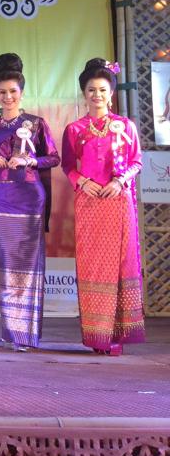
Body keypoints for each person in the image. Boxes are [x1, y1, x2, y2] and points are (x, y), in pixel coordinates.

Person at [0, 53, 59, 351]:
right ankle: (11, 330)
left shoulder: (36, 124)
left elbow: (53, 157)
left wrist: (30, 160)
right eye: (2, 92)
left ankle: (26, 333)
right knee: (6, 262)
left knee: (28, 264)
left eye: (13, 91)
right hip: (1, 196)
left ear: (21, 92)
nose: (8, 96)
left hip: (29, 197)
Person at [62, 58, 145, 355]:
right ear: (83, 94)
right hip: (89, 203)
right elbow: (68, 166)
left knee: (121, 265)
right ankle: (96, 335)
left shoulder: (125, 126)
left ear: (111, 93)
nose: (96, 95)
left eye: (102, 90)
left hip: (118, 202)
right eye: (91, 90)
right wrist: (82, 182)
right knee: (93, 267)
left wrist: (120, 181)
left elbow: (137, 162)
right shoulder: (75, 129)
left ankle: (116, 335)